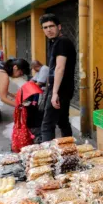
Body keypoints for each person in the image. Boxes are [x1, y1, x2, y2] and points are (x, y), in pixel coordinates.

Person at [40, 13, 76, 142]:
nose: (48, 30)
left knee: (47, 125)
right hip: (63, 88)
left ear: (59, 27)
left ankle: (47, 156)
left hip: (60, 89)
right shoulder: (54, 42)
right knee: (62, 121)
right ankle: (69, 150)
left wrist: (54, 93)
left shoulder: (62, 42)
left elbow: (60, 68)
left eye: (51, 26)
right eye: (45, 27)